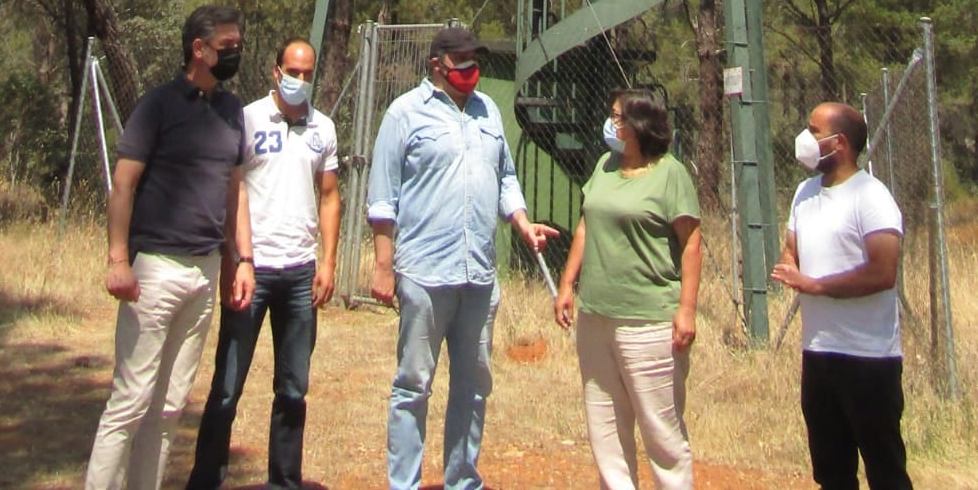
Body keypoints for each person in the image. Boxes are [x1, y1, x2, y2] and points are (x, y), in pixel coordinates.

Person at [367, 24, 559, 490]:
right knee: (414, 384)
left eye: (477, 60)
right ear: (438, 65)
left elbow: (506, 176)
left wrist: (521, 221)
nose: (473, 69)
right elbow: (382, 198)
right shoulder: (404, 114)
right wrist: (383, 266)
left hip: (479, 275)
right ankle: (404, 483)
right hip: (425, 274)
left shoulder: (487, 110)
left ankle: (463, 480)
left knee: (473, 386)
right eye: (464, 62)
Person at [84, 4, 254, 490]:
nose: (234, 54)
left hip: (204, 271)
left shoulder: (231, 111)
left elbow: (235, 191)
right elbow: (123, 185)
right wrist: (118, 260)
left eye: (238, 46)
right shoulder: (157, 106)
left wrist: (240, 260)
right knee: (131, 401)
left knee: (170, 407)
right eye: (226, 47)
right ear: (198, 49)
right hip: (155, 270)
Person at [185, 39, 341, 490]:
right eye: (293, 71)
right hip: (251, 273)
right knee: (227, 387)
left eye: (308, 73)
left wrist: (328, 262)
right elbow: (229, 190)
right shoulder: (247, 119)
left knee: (293, 390)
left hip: (300, 273)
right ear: (276, 71)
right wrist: (233, 261)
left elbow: (330, 196)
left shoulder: (323, 128)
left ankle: (284, 481)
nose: (300, 81)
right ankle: (205, 481)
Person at [553, 89, 701, 490]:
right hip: (596, 316)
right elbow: (586, 225)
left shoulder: (670, 174)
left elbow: (691, 243)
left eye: (617, 117)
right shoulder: (604, 165)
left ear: (639, 125)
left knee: (661, 431)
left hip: (649, 322)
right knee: (604, 425)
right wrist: (567, 284)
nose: (610, 124)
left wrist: (686, 309)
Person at [770, 101, 914, 490]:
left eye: (814, 131)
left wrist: (815, 286)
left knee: (885, 472)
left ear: (840, 143)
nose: (805, 138)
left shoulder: (871, 197)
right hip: (818, 353)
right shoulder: (804, 193)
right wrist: (788, 264)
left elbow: (883, 272)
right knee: (832, 473)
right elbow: (791, 249)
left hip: (869, 359)